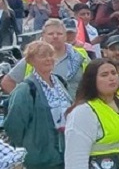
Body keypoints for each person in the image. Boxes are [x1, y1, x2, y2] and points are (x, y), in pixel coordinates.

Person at [5, 41, 72, 169]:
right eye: (42, 56)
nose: (48, 59)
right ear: (30, 61)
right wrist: (31, 147)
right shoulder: (25, 90)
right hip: (39, 161)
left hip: (64, 156)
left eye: (51, 55)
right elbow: (14, 126)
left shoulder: (61, 82)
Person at [1, 18, 88, 97]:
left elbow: (93, 82)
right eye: (50, 34)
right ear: (43, 36)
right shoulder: (32, 57)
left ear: (65, 36)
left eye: (59, 34)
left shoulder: (80, 56)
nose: (55, 36)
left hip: (75, 107)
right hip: (43, 109)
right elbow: (7, 82)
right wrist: (25, 101)